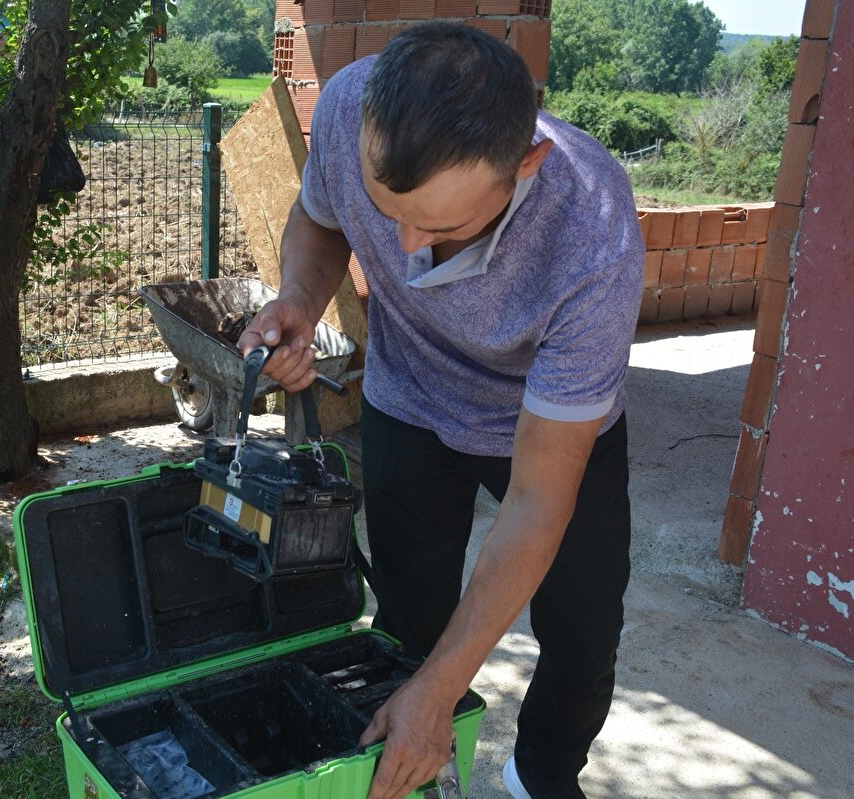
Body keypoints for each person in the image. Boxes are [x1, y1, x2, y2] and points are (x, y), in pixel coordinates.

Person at [235, 21, 644, 799]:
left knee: (583, 636)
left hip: (547, 426)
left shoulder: (592, 233)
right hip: (411, 400)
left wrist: (448, 683)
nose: (406, 245)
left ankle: (542, 777)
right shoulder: (350, 107)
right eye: (388, 209)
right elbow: (320, 219)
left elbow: (537, 498)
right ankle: (408, 770)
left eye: (443, 226)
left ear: (526, 165)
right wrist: (298, 301)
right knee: (408, 621)